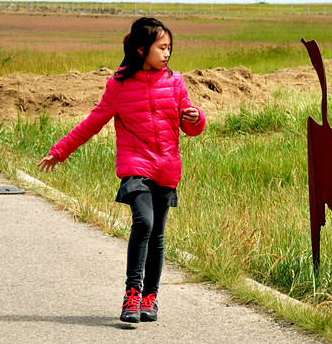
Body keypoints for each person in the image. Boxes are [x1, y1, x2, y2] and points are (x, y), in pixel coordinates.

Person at [38, 17, 206, 324]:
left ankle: (150, 298)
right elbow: (91, 123)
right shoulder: (119, 85)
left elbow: (188, 125)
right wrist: (59, 151)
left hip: (166, 167)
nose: (167, 53)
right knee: (144, 222)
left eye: (170, 48)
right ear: (142, 50)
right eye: (161, 47)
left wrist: (195, 119)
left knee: (157, 235)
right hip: (135, 166)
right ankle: (132, 293)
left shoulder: (175, 82)